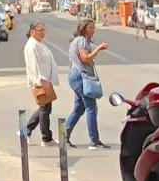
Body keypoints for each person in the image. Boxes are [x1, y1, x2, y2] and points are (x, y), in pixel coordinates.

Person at [64, 18, 109, 147]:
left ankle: (64, 136)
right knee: (91, 107)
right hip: (80, 76)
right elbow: (85, 58)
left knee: (79, 108)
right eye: (90, 28)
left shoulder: (76, 41)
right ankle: (94, 141)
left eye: (94, 28)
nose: (92, 30)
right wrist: (99, 49)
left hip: (75, 75)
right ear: (83, 29)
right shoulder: (82, 41)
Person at [22, 19, 57, 145]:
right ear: (32, 31)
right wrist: (40, 81)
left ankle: (26, 131)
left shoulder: (38, 43)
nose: (43, 32)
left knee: (44, 108)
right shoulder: (32, 46)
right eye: (40, 30)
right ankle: (46, 138)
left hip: (46, 80)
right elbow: (34, 65)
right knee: (44, 109)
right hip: (41, 81)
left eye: (44, 30)